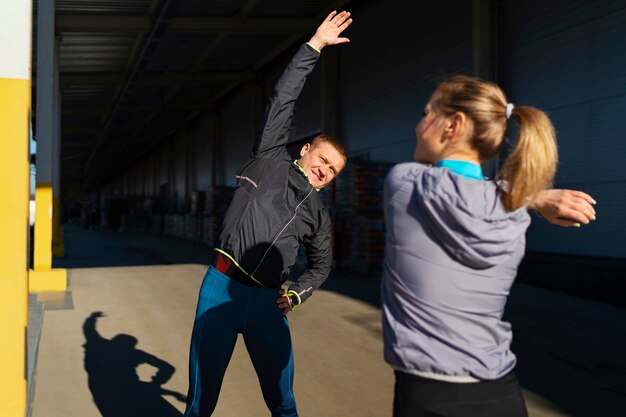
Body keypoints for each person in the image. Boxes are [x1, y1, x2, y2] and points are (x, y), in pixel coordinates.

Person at [381, 75, 596, 417]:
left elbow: (460, 189)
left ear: (454, 124)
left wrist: (534, 197)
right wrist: (534, 196)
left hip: (426, 396)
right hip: (501, 395)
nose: (420, 126)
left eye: (427, 113)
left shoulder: (405, 184)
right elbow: (488, 193)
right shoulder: (514, 211)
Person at [183, 11, 352, 417]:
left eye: (333, 171)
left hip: (267, 305)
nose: (325, 171)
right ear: (305, 150)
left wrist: (296, 294)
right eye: (323, 160)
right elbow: (283, 98)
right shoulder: (269, 158)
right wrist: (314, 47)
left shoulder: (319, 215)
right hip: (220, 287)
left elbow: (323, 265)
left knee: (284, 402)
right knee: (201, 399)